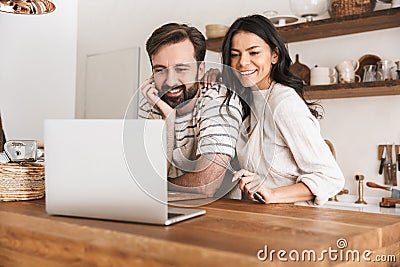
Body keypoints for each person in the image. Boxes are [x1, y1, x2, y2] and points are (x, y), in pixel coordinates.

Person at [222, 15, 344, 205]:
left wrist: (273, 194)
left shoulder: (283, 103)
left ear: (274, 55)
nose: (242, 62)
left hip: (294, 226)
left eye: (253, 53)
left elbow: (330, 177)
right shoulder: (249, 103)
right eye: (235, 54)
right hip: (264, 224)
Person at [139, 23, 243, 197]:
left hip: (218, 215)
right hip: (160, 209)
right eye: (160, 70)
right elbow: (141, 175)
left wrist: (156, 184)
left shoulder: (220, 100)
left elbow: (206, 185)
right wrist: (168, 119)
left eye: (181, 69)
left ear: (201, 70)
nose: (171, 81)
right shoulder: (151, 103)